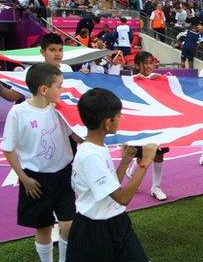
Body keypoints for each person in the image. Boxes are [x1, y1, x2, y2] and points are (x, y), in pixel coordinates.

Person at [0, 63, 84, 262]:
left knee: (68, 224)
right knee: (43, 226)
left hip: (63, 175)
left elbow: (77, 137)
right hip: (35, 180)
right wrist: (24, 179)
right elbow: (8, 149)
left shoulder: (61, 109)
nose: (62, 90)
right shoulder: (18, 113)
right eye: (60, 86)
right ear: (44, 89)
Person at [66, 88, 158, 261]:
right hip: (95, 229)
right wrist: (145, 162)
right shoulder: (91, 155)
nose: (120, 119)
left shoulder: (97, 147)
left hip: (113, 220)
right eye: (119, 116)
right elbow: (123, 198)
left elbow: (110, 187)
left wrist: (124, 162)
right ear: (108, 123)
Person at [125, 52, 169, 201]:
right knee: (142, 157)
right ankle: (132, 174)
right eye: (146, 63)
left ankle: (155, 187)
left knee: (158, 154)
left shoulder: (159, 79)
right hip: (140, 125)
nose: (149, 66)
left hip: (158, 123)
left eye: (151, 62)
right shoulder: (130, 80)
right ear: (137, 65)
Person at [0, 34, 74, 102]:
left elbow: (74, 94)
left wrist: (84, 76)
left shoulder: (68, 69)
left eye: (60, 50)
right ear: (43, 52)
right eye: (52, 50)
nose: (57, 54)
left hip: (63, 121)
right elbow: (12, 96)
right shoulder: (32, 72)